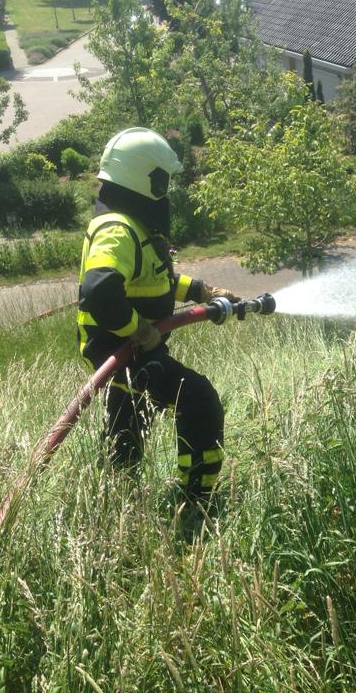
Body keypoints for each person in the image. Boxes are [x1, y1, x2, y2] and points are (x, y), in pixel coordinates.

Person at [77, 128, 239, 516]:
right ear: (142, 177)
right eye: (161, 180)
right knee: (198, 401)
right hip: (121, 352)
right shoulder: (118, 229)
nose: (165, 190)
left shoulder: (133, 226)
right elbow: (100, 290)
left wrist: (201, 291)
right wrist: (139, 330)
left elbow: (153, 281)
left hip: (131, 351)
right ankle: (198, 501)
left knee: (128, 436)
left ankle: (114, 511)